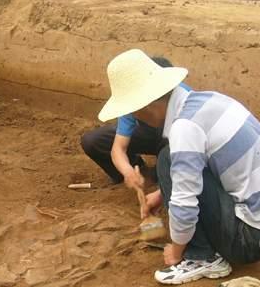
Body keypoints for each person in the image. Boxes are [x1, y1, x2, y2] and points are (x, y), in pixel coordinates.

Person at [98, 49, 260, 284]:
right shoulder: (205, 101)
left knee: (168, 158)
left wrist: (177, 250)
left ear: (145, 106)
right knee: (172, 160)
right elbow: (202, 168)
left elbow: (185, 203)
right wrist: (162, 192)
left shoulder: (184, 127)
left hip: (249, 239)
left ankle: (202, 258)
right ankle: (203, 249)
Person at [81, 57, 190, 190]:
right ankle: (141, 171)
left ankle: (158, 176)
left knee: (167, 156)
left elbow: (189, 153)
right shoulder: (133, 98)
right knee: (93, 141)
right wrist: (128, 172)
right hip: (152, 135)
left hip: (178, 141)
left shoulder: (184, 103)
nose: (134, 113)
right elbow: (118, 148)